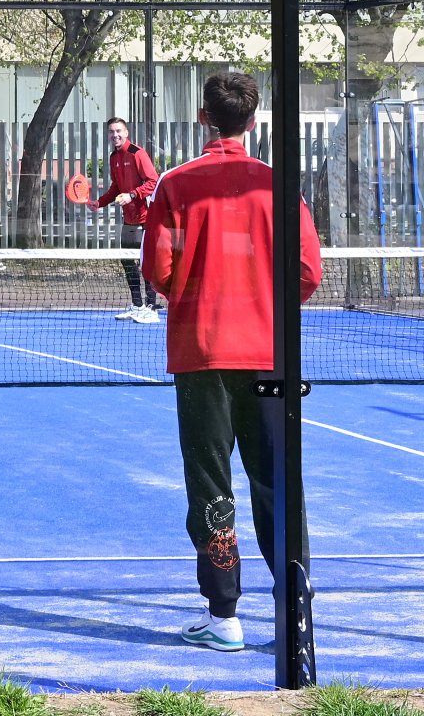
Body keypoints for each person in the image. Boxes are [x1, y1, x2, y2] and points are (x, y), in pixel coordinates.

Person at [142, 70, 320, 653]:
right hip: (270, 357)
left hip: (202, 358)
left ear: (204, 118)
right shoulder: (280, 185)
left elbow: (159, 271)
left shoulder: (176, 184)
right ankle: (296, 610)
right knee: (277, 482)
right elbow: (308, 274)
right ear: (253, 119)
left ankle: (224, 617)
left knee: (211, 485)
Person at [93, 115, 161, 322]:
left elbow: (153, 181)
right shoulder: (114, 157)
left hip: (145, 218)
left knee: (145, 262)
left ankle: (151, 307)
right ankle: (137, 304)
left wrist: (132, 194)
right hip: (128, 219)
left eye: (118, 131)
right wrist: (99, 202)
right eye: (111, 132)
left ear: (126, 133)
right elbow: (116, 187)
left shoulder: (137, 154)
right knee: (127, 261)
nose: (115, 135)